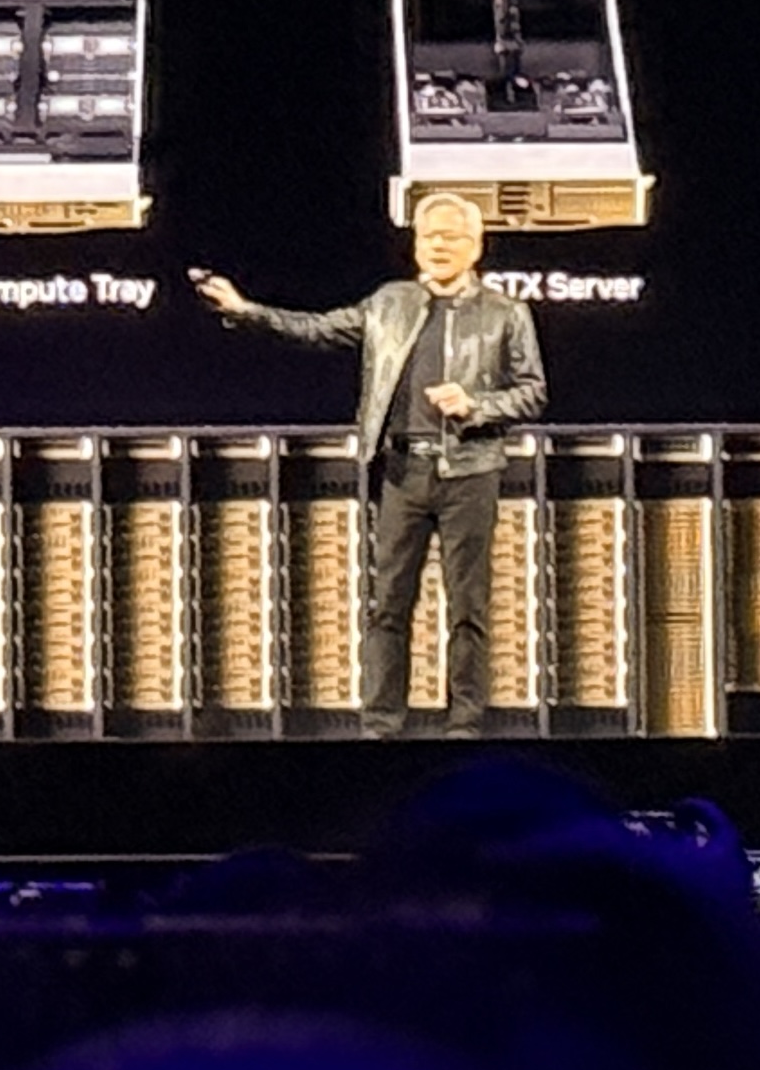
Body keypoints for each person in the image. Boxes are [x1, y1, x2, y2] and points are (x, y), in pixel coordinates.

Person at [191, 195, 545, 738]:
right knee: (388, 604)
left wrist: (476, 405)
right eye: (429, 236)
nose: (439, 245)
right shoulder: (389, 302)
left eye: (451, 236)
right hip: (403, 472)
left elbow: (533, 392)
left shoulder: (505, 313)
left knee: (467, 607)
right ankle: (381, 725)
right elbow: (317, 329)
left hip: (470, 472)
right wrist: (246, 310)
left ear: (476, 246)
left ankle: (464, 725)